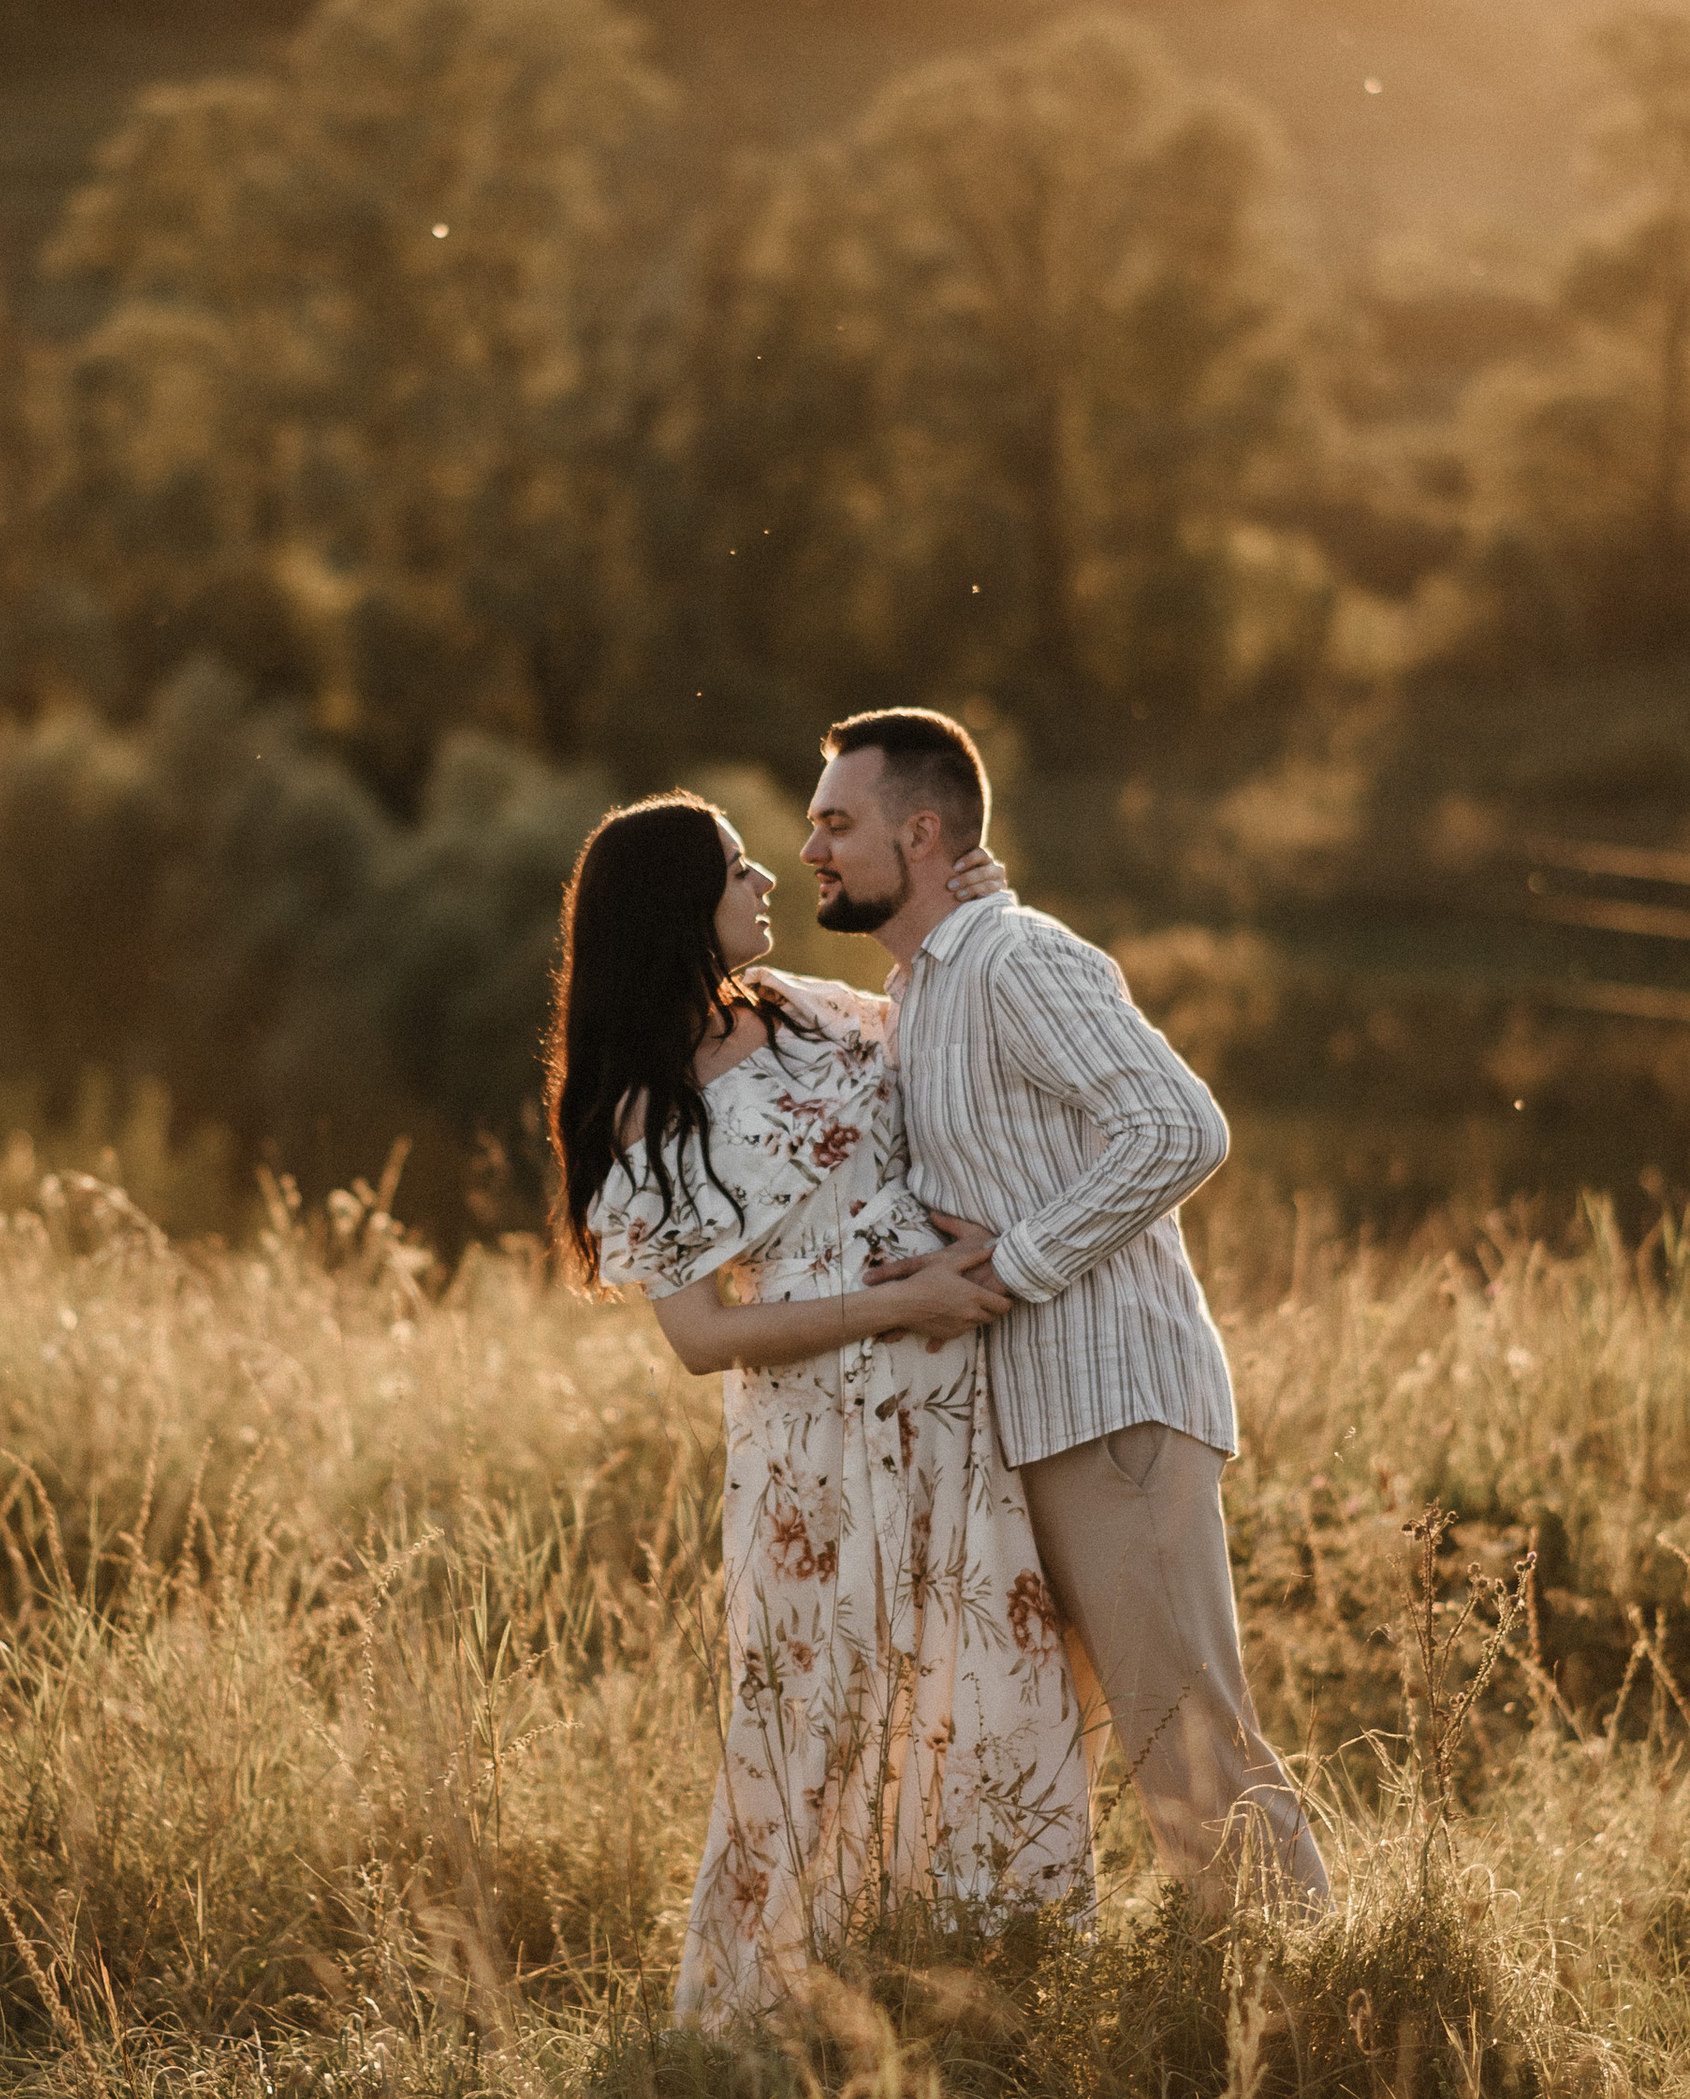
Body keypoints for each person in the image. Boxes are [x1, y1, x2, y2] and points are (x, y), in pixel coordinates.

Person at [547, 793, 1096, 2023]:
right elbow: (699, 1340)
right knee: (817, 1711)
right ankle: (777, 2011)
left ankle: (984, 2001)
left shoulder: (810, 1008)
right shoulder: (639, 1107)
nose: (767, 884)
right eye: (739, 869)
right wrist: (895, 1307)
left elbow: (952, 1053)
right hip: (811, 1438)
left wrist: (969, 912)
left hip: (952, 1402)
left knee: (985, 1682)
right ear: (677, 909)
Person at [809, 705, 1332, 1919]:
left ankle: (1320, 2027)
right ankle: (1214, 2003)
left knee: (1192, 1745)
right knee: (1090, 1756)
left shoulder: (1012, 957)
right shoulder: (926, 983)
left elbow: (1179, 1126)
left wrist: (1016, 1265)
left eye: (837, 822)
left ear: (921, 831)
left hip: (1113, 1405)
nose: (813, 848)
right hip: (1034, 1424)